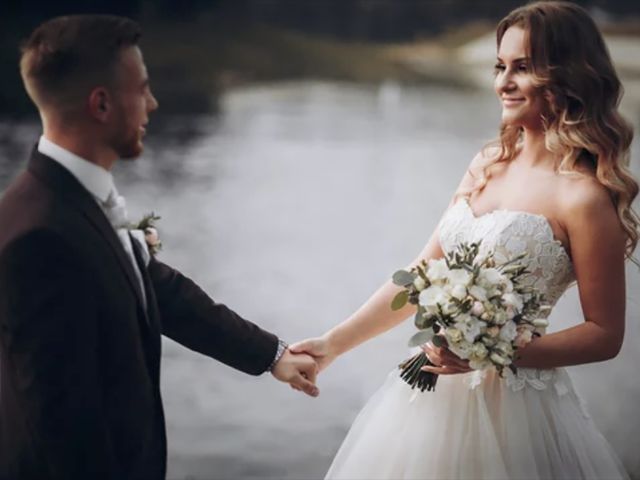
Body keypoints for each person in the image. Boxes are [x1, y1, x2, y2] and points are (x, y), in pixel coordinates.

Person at [291, 2, 637, 478]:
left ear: (567, 76)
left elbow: (605, 335)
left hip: (518, 413)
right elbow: (420, 278)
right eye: (500, 66)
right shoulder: (487, 163)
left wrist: (490, 352)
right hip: (426, 396)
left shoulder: (584, 197)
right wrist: (332, 345)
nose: (503, 82)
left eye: (523, 68)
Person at [0, 15, 319, 480]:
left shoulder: (78, 202)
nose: (152, 103)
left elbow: (157, 289)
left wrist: (272, 356)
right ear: (102, 104)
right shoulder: (38, 237)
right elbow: (62, 426)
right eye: (142, 89)